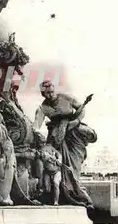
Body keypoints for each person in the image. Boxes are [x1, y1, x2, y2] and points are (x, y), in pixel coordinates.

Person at [34, 80, 97, 208]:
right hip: (57, 137)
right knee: (62, 168)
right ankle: (65, 197)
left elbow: (81, 109)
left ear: (54, 90)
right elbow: (36, 125)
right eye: (47, 94)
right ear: (43, 94)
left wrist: (76, 121)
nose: (50, 95)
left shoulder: (67, 98)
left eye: (52, 92)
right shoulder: (43, 107)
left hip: (74, 134)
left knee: (74, 167)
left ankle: (80, 197)